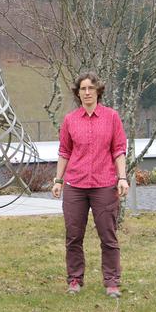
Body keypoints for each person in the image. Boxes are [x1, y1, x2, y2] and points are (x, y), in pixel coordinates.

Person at [51, 71, 129, 298]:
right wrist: (58, 180)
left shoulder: (111, 117)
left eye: (90, 89)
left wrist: (122, 177)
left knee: (108, 235)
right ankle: (75, 279)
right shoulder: (70, 120)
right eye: (82, 89)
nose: (87, 93)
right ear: (78, 93)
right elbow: (65, 151)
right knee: (73, 235)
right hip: (75, 185)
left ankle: (112, 282)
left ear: (98, 91)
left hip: (104, 185)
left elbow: (118, 149)